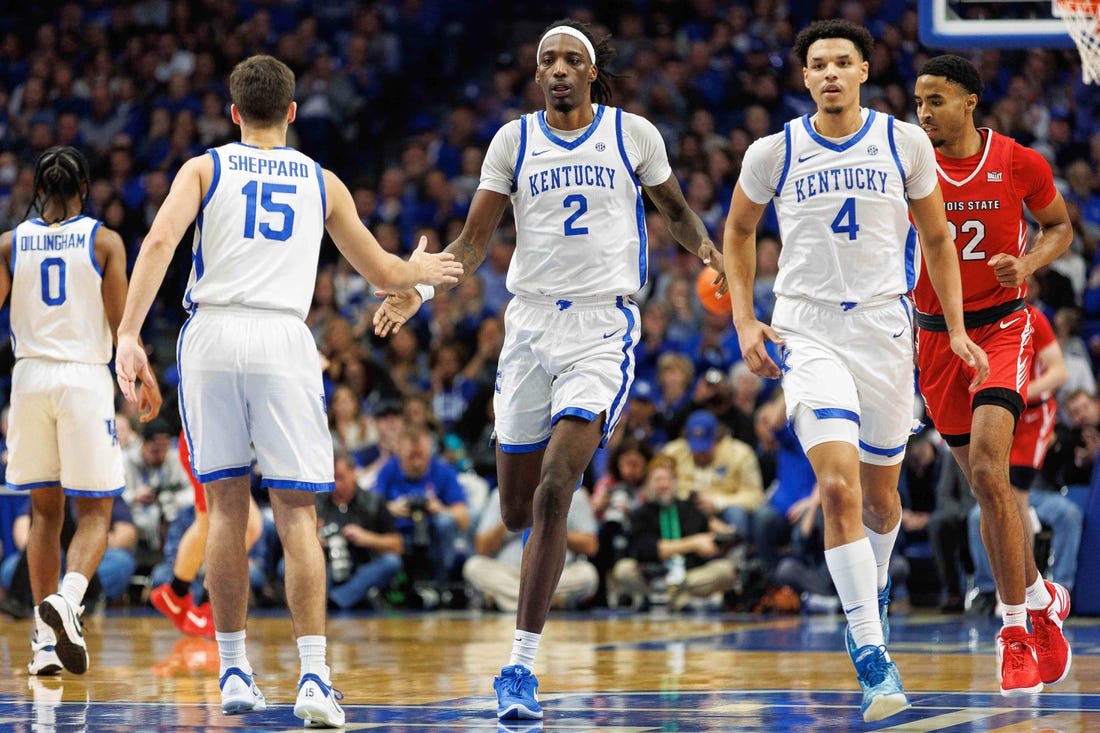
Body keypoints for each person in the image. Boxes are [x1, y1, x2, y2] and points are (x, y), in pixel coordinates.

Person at [373, 19, 723, 722]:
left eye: (572, 60)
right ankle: (530, 585)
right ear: (538, 77)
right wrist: (421, 283)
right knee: (514, 508)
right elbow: (473, 242)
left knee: (557, 490)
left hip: (602, 326)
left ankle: (519, 667)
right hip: (529, 327)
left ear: (592, 72)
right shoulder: (514, 140)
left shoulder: (634, 135)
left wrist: (717, 257)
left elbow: (678, 213)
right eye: (547, 61)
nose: (558, 69)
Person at [113, 55, 461, 727]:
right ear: (294, 113)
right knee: (298, 511)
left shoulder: (204, 168)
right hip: (282, 337)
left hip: (211, 334)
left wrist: (128, 334)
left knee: (224, 508)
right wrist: (415, 278)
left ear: (234, 112)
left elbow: (157, 242)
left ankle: (235, 667)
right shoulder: (320, 180)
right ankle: (311, 676)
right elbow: (382, 267)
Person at [722, 21, 988, 723]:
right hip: (808, 329)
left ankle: (869, 598)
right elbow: (739, 230)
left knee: (879, 502)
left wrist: (955, 328)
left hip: (884, 329)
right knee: (835, 489)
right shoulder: (771, 151)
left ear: (865, 70)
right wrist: (747, 320)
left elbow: (936, 235)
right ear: (805, 78)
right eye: (819, 64)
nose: (832, 73)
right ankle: (872, 655)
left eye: (843, 61)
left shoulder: (903, 142)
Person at [913, 55, 1074, 695]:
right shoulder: (906, 164)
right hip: (933, 337)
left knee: (988, 469)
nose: (925, 114)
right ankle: (1038, 596)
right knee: (987, 491)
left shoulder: (1017, 161)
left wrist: (1029, 260)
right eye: (919, 102)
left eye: (937, 101)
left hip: (1004, 325)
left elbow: (1059, 226)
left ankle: (1013, 632)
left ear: (971, 101)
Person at [0, 145, 162, 677]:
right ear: (86, 189)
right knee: (95, 512)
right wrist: (143, 377)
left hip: (28, 379)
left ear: (37, 190)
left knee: (45, 513)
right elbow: (124, 328)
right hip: (83, 379)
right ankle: (68, 602)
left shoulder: (9, 243)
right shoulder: (105, 240)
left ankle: (44, 646)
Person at [966, 304, 1081, 621]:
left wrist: (1018, 392)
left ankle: (1023, 592)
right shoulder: (977, 315)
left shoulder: (1032, 315)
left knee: (1015, 499)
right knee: (991, 498)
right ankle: (1009, 588)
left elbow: (1060, 372)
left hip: (1031, 415)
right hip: (998, 409)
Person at [149, 430, 265, 638]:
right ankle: (205, 606)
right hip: (206, 436)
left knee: (214, 524)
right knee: (234, 524)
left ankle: (177, 594)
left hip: (215, 439)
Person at [609, 455, 738, 611]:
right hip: (654, 576)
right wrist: (694, 543)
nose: (664, 485)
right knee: (623, 569)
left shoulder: (689, 508)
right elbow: (649, 549)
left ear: (676, 483)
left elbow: (718, 528)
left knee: (725, 569)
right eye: (658, 480)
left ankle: (666, 598)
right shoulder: (641, 513)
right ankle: (679, 599)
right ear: (648, 484)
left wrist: (725, 532)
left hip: (688, 577)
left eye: (668, 479)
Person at [464, 485, 599, 613]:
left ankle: (511, 602)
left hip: (554, 576)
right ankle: (543, 604)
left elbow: (590, 546)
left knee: (588, 574)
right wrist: (512, 519)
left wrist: (550, 525)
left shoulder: (575, 494)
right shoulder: (501, 493)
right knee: (473, 567)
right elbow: (482, 548)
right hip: (508, 572)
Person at [371, 423, 469, 585]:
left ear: (430, 449)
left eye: (421, 454)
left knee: (445, 522)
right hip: (400, 535)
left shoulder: (444, 471)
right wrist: (390, 508)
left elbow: (464, 518)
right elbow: (370, 509)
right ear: (400, 450)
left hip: (434, 537)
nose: (417, 460)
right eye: (411, 455)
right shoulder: (388, 470)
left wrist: (439, 509)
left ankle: (444, 583)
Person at [316, 451, 403, 611]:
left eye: (341, 477)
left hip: (361, 568)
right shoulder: (317, 503)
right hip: (326, 567)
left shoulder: (373, 502)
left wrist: (367, 538)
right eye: (331, 478)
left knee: (391, 562)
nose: (336, 484)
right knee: (286, 565)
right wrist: (314, 540)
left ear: (354, 473)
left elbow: (397, 545)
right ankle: (341, 598)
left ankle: (335, 600)